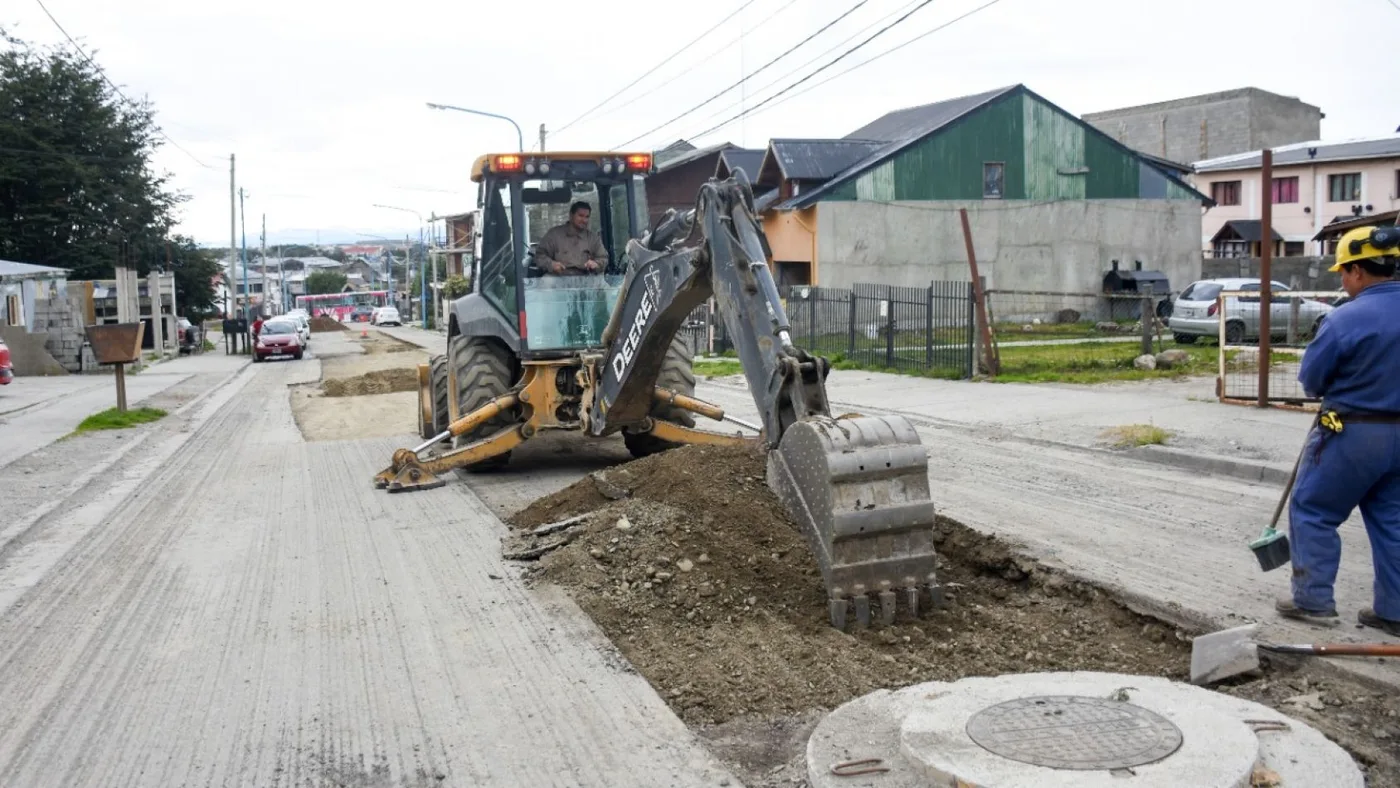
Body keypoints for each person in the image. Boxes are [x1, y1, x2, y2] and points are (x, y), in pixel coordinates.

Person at [1278, 225, 1400, 635]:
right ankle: (1394, 612)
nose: (1343, 281)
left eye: (1343, 272)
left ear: (1358, 272)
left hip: (1353, 432)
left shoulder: (1345, 319)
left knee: (1313, 509)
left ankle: (1313, 601)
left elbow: (1312, 380)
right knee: (1393, 520)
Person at [536, 201, 609, 276]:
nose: (584, 220)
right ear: (571, 215)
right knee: (546, 281)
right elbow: (539, 256)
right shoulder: (554, 235)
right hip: (558, 278)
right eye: (580, 216)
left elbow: (603, 258)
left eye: (587, 217)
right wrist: (551, 265)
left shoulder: (593, 238)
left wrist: (596, 264)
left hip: (586, 278)